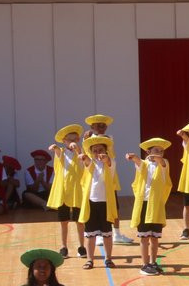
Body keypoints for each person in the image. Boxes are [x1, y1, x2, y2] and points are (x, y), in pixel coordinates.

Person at [84, 114, 135, 245]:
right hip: (94, 179)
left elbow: (106, 144)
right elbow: (87, 155)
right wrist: (86, 138)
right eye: (98, 125)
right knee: (95, 207)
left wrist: (91, 137)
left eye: (104, 125)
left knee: (114, 207)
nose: (101, 128)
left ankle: (116, 233)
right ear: (92, 126)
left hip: (109, 176)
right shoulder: (87, 140)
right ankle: (99, 234)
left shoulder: (108, 138)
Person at [126, 138, 173, 276]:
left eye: (162, 151)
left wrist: (158, 157)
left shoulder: (164, 163)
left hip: (156, 205)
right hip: (144, 204)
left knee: (154, 237)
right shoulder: (144, 163)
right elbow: (139, 162)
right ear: (148, 151)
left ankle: (153, 262)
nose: (160, 153)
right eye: (156, 150)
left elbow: (162, 163)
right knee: (144, 237)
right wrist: (133, 157)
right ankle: (144, 264)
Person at [47, 124, 86, 259]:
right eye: (69, 140)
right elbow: (58, 154)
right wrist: (55, 148)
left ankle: (82, 246)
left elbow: (83, 162)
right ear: (64, 141)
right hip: (63, 190)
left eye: (75, 139)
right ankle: (64, 247)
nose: (72, 142)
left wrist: (78, 149)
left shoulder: (80, 153)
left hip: (76, 191)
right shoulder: (62, 153)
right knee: (63, 221)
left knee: (79, 221)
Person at [78, 135, 117, 269]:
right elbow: (86, 160)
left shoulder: (110, 162)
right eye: (94, 150)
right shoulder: (90, 163)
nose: (98, 152)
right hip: (91, 202)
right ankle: (90, 260)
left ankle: (108, 258)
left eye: (100, 149)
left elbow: (109, 162)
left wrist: (106, 158)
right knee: (90, 234)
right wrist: (82, 154)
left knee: (107, 233)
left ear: (106, 151)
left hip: (105, 203)